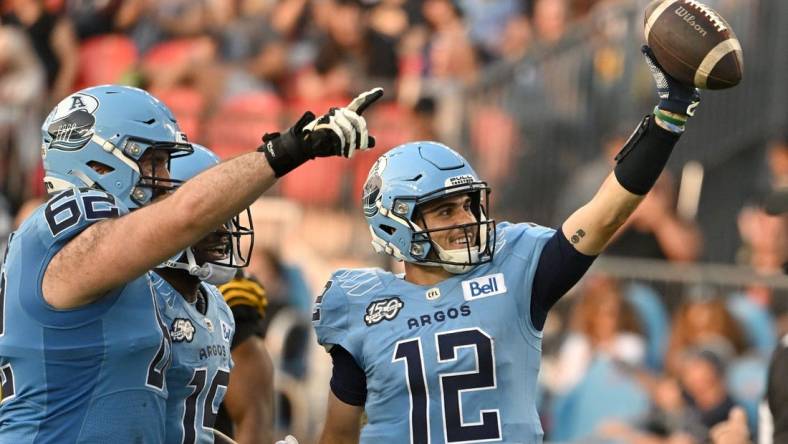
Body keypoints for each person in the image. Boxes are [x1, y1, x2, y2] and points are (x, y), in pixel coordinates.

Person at [313, 46, 701, 443]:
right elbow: (338, 435)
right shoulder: (362, 304)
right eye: (445, 212)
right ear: (396, 223)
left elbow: (603, 216)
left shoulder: (513, 267)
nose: (465, 220)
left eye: (467, 205)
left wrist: (668, 117)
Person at [0, 83, 382, 441]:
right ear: (99, 163)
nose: (165, 179)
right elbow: (184, 215)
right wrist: (286, 151)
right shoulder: (53, 236)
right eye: (155, 162)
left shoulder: (147, 282)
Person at [151, 144, 254, 444]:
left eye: (229, 213)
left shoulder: (217, 305)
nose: (225, 230)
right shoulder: (140, 297)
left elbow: (193, 428)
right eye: (212, 215)